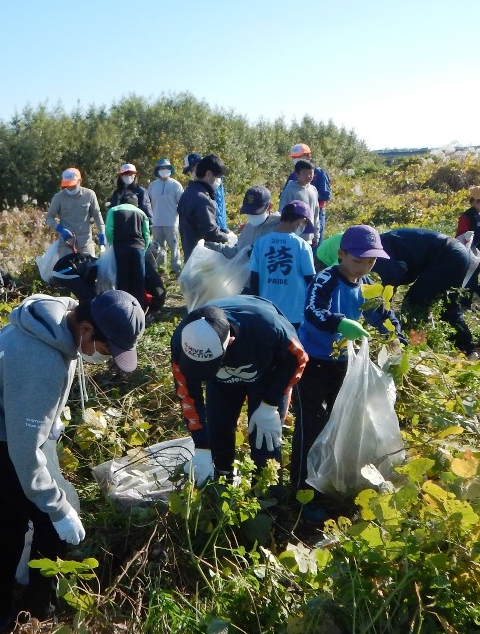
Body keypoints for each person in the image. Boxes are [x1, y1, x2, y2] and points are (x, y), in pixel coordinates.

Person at [0, 290, 145, 628]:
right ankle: (37, 612)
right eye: (107, 348)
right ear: (86, 329)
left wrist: (47, 419)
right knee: (46, 522)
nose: (107, 357)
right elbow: (24, 452)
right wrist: (57, 509)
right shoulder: (42, 362)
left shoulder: (56, 314)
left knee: (11, 517)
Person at [293, 225, 403, 523]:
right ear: (341, 255)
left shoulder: (367, 283)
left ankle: (329, 479)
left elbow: (381, 313)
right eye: (358, 260)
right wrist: (340, 323)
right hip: (312, 362)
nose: (364, 266)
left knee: (340, 422)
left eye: (371, 261)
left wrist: (395, 334)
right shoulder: (326, 279)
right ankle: (302, 493)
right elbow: (313, 311)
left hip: (343, 363)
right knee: (310, 424)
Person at [171, 296, 308, 486]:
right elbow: (187, 394)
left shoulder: (267, 328)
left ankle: (267, 500)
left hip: (267, 375)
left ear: (230, 342)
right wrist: (201, 446)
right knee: (218, 431)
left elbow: (298, 360)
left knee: (264, 441)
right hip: (221, 382)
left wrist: (270, 404)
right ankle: (220, 486)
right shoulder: (183, 339)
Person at [373, 228, 479, 357]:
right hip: (458, 253)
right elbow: (404, 273)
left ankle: (414, 348)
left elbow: (391, 281)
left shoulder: (378, 250)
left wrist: (381, 311)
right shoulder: (384, 241)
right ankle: (469, 350)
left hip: (448, 256)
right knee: (448, 307)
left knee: (414, 303)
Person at [248, 201, 316, 326]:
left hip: (267, 312)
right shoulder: (302, 245)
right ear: (300, 221)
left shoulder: (261, 243)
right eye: (304, 224)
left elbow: (254, 278)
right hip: (294, 314)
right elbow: (310, 279)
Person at [50, 251, 166, 316]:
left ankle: (81, 314)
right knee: (89, 298)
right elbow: (91, 288)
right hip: (64, 272)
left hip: (63, 271)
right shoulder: (97, 267)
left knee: (89, 297)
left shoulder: (100, 264)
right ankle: (83, 317)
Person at [177, 154, 232, 262]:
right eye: (218, 177)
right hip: (203, 259)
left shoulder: (188, 193)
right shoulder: (202, 198)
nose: (218, 181)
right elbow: (210, 232)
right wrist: (228, 237)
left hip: (191, 253)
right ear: (209, 174)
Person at [45, 168, 105, 258]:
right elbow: (49, 217)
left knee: (90, 269)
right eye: (67, 185)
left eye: (72, 185)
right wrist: (60, 229)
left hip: (85, 242)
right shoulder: (58, 198)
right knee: (65, 270)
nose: (70, 187)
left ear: (79, 181)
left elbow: (96, 214)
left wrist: (102, 232)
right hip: (66, 244)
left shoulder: (89, 195)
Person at [208, 185, 281, 259]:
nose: (251, 215)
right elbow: (237, 253)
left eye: (255, 212)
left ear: (269, 207)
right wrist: (211, 245)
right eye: (248, 212)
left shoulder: (281, 228)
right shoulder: (248, 229)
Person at [106, 193, 150, 308]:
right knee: (138, 280)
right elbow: (146, 234)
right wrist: (143, 249)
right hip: (138, 248)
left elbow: (109, 231)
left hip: (120, 247)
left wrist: (112, 243)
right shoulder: (141, 213)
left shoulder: (113, 210)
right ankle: (138, 309)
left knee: (122, 278)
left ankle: (122, 308)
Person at [281, 143, 332, 240]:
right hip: (295, 216)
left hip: (316, 212)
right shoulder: (293, 175)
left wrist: (308, 199)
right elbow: (286, 194)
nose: (296, 159)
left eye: (299, 156)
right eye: (294, 157)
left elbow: (326, 194)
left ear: (308, 156)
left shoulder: (319, 173)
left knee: (315, 242)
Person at [147, 158, 184, 274]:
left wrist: (178, 217)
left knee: (174, 247)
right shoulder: (152, 186)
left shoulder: (176, 185)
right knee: (159, 247)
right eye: (161, 168)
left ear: (170, 170)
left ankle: (175, 269)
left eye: (166, 168)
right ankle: (161, 269)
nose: (164, 170)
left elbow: (182, 204)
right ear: (157, 170)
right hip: (156, 222)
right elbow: (147, 203)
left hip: (171, 222)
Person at [278, 160, 320, 245]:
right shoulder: (290, 191)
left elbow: (316, 213)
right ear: (297, 174)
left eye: (310, 173)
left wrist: (316, 234)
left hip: (309, 237)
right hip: (293, 237)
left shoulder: (313, 190)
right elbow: (282, 214)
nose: (308, 176)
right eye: (304, 173)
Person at [456, 185, 480, 250]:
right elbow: (461, 237)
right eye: (479, 201)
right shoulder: (466, 216)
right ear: (472, 201)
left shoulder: (478, 215)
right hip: (471, 251)